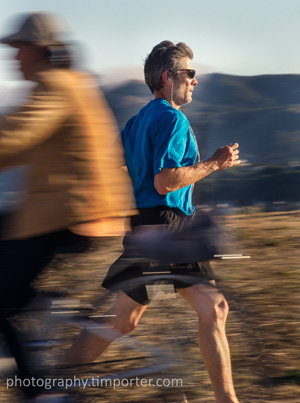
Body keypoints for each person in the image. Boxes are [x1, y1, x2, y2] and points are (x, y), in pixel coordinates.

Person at [65, 41, 240, 403]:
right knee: (215, 308)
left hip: (143, 224)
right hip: (169, 224)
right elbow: (166, 181)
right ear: (168, 77)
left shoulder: (138, 119)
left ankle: (53, 382)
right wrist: (214, 162)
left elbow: (110, 163)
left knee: (123, 320)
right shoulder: (173, 119)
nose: (194, 80)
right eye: (189, 73)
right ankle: (228, 400)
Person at [0, 12, 134, 401]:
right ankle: (33, 301)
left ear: (39, 50)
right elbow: (17, 144)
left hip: (71, 213)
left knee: (1, 302)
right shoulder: (72, 82)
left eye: (19, 47)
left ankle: (40, 393)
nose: (14, 56)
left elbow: (16, 134)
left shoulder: (55, 86)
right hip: (70, 209)